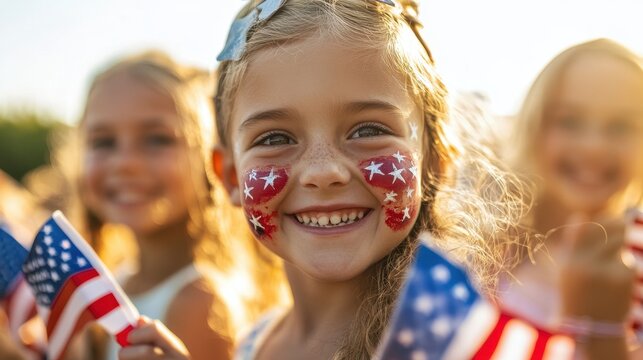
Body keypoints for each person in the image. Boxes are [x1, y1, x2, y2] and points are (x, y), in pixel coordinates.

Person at [120, 2, 634, 359]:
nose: (323, 171)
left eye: (368, 130)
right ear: (230, 176)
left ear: (438, 160)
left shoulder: (445, 342)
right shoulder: (256, 339)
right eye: (276, 137)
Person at [61, 51, 286, 360]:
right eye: (104, 142)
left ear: (210, 160)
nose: (125, 163)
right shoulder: (120, 278)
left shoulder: (199, 302)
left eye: (157, 139)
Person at [498, 39, 643, 338]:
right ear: (535, 126)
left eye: (620, 126)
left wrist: (603, 327)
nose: (593, 148)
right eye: (569, 121)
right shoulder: (481, 242)